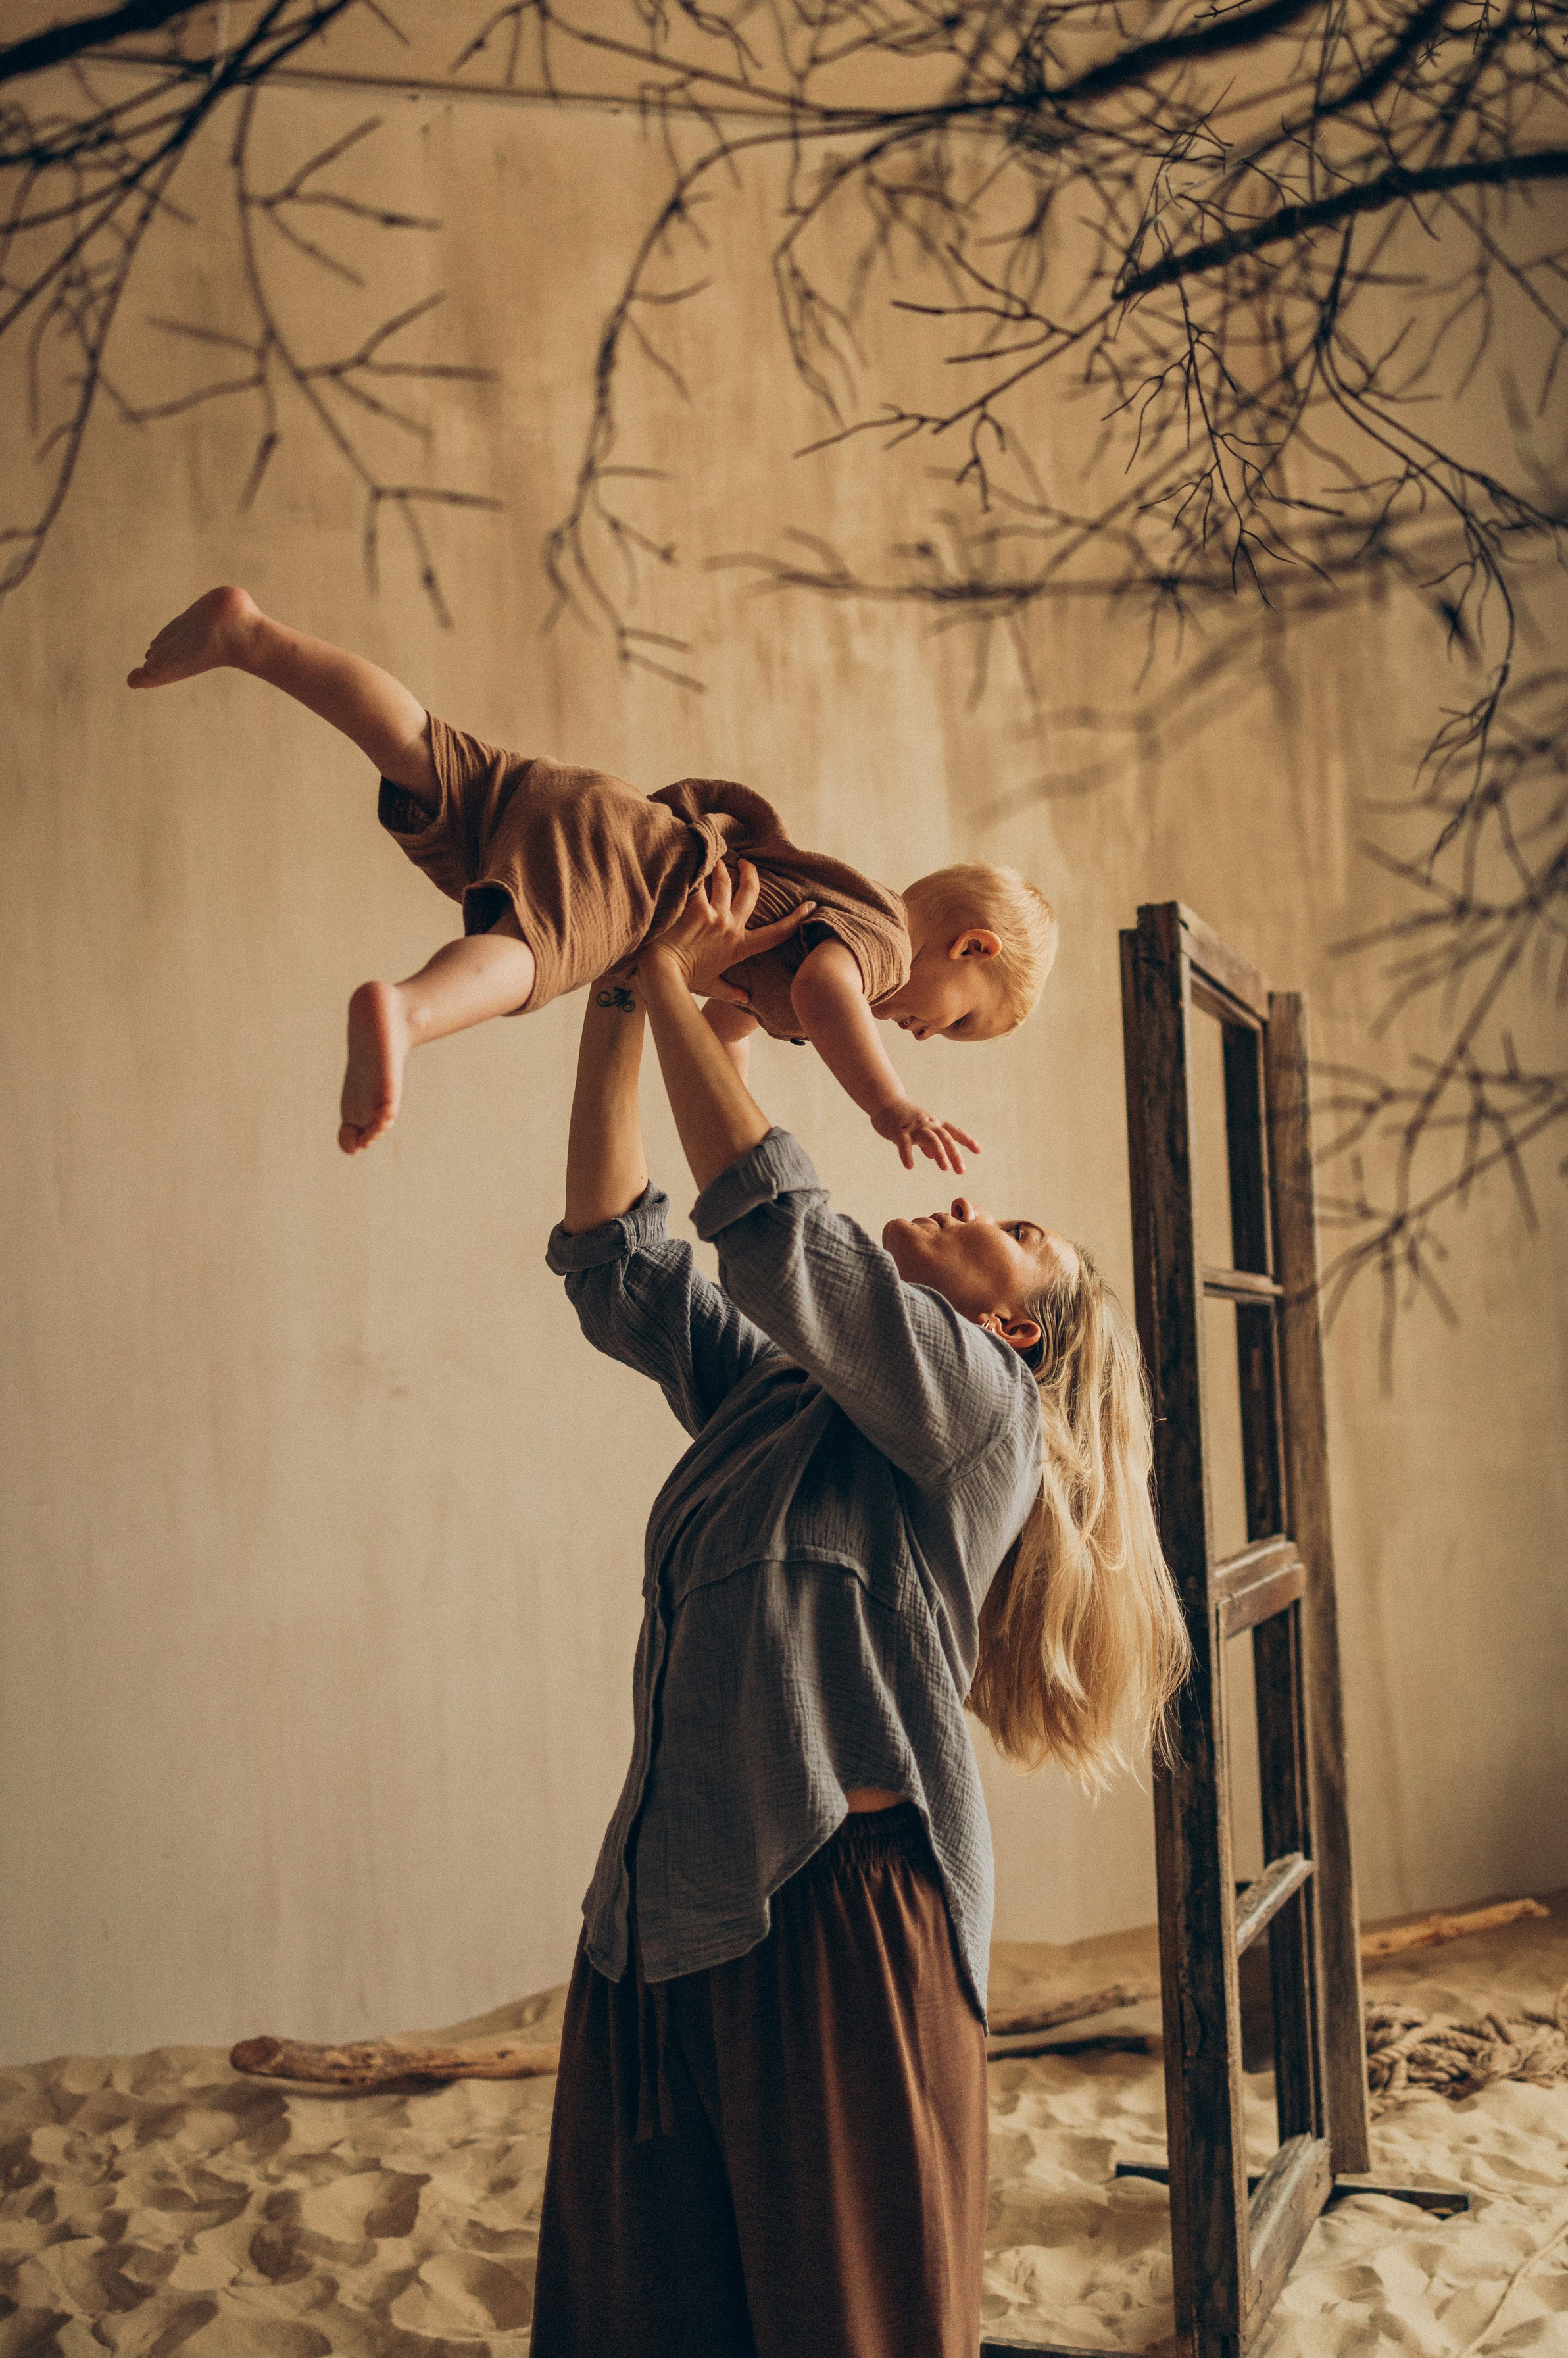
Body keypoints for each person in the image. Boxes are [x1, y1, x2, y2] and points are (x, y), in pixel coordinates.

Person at [531, 857, 1188, 2358]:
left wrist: (677, 973)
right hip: (649, 1914)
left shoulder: (983, 1414)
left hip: (833, 1911)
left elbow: (776, 1228)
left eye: (1014, 1229)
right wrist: (624, 995)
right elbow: (616, 1260)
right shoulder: (783, 1395)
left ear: (1016, 1325)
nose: (965, 1199)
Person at [126, 586, 1058, 1169]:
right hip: (642, 872)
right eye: (961, 1022)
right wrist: (890, 1104)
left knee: (421, 749)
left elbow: (724, 1025)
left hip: (600, 813)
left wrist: (741, 1118)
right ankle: (409, 1012)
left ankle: (252, 636)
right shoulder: (881, 946)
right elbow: (826, 995)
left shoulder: (831, 919)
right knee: (535, 953)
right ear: (971, 946)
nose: (930, 1038)